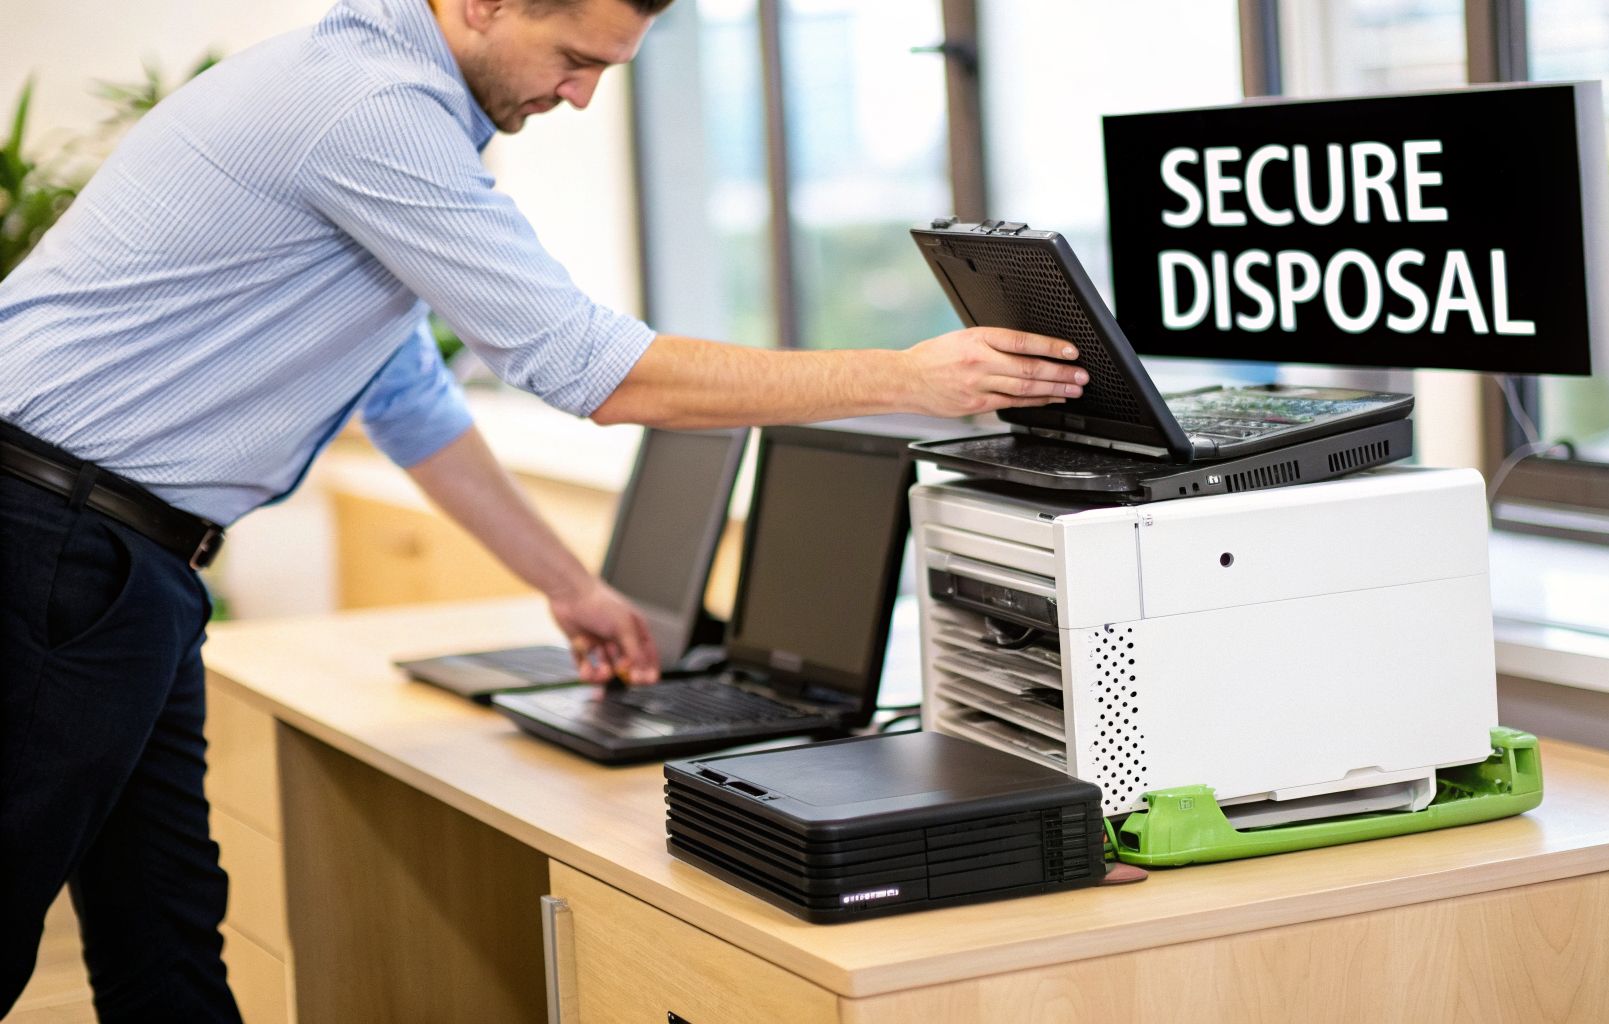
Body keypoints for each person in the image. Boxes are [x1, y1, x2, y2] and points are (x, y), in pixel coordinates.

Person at [0, 0, 1087, 1017]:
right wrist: (902, 377)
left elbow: (406, 398)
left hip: (112, 556)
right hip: (50, 539)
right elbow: (590, 368)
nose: (580, 99)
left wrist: (571, 588)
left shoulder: (379, 101)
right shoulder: (371, 107)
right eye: (573, 60)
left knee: (165, 925)